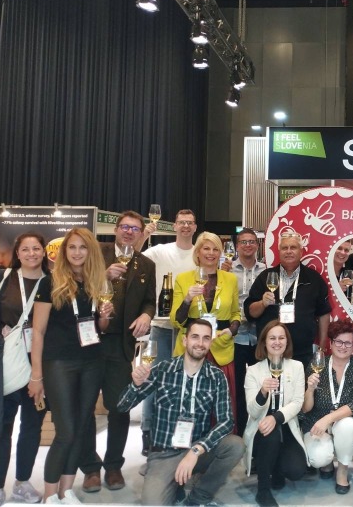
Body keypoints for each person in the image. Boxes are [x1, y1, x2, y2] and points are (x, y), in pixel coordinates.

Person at [117, 319, 245, 506]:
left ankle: (198, 497)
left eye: (206, 338)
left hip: (197, 450)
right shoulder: (163, 370)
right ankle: (173, 482)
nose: (200, 343)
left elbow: (226, 421)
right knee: (153, 504)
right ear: (185, 340)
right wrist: (135, 386)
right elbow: (122, 406)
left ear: (210, 343)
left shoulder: (216, 376)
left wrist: (196, 450)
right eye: (195, 337)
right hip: (165, 453)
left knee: (235, 445)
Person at [28, 228, 113, 504]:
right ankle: (49, 495)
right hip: (59, 363)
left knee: (80, 429)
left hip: (92, 361)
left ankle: (65, 492)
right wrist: (36, 375)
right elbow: (38, 331)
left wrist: (105, 317)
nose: (77, 252)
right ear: (64, 251)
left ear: (91, 251)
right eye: (72, 247)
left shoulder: (96, 281)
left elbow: (100, 328)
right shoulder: (50, 282)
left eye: (83, 247)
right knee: (65, 432)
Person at [80, 211, 156, 493]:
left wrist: (147, 315)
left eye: (135, 229)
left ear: (141, 233)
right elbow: (77, 285)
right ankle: (90, 467)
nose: (128, 232)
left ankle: (113, 466)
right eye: (124, 227)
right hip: (88, 341)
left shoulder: (146, 264)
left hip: (120, 345)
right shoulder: (96, 253)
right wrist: (103, 276)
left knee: (119, 407)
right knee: (85, 406)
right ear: (115, 229)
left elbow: (150, 301)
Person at [0, 233, 50, 507]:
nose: (31, 253)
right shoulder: (3, 279)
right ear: (17, 253)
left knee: (32, 426)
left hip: (40, 367)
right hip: (4, 364)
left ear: (44, 252)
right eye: (25, 249)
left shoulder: (52, 282)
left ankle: (22, 482)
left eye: (36, 248)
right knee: (1, 426)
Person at [139, 209, 197, 454]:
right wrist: (144, 235)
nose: (185, 226)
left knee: (186, 384)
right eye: (181, 222)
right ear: (174, 226)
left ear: (195, 227)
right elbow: (133, 257)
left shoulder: (200, 253)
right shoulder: (159, 251)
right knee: (155, 379)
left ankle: (179, 433)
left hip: (189, 330)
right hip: (161, 327)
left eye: (190, 223)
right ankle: (148, 431)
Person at [170, 232, 240, 431]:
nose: (211, 253)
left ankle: (221, 443)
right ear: (198, 253)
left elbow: (235, 313)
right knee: (189, 402)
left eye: (216, 249)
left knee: (219, 405)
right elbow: (176, 320)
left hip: (220, 349)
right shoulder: (184, 279)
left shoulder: (230, 279)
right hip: (192, 350)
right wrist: (187, 299)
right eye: (206, 248)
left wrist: (231, 331)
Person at [300, 319, 353, 495]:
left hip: (343, 422)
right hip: (316, 423)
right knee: (318, 459)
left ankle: (342, 471)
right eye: (339, 341)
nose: (343, 346)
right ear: (330, 343)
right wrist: (310, 389)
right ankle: (327, 461)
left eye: (348, 343)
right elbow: (306, 409)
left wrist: (328, 419)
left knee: (347, 424)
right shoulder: (317, 364)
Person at [243, 321, 308, 507]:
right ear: (264, 342)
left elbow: (298, 403)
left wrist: (276, 417)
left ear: (287, 342)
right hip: (261, 427)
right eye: (272, 338)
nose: (277, 342)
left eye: (281, 338)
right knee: (269, 433)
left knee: (296, 470)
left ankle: (277, 469)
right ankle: (263, 490)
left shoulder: (297, 367)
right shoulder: (253, 371)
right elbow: (252, 411)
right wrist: (262, 392)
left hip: (286, 424)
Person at [245, 231, 330, 370]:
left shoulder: (314, 279)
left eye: (293, 247)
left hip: (302, 352)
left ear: (301, 251)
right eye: (285, 248)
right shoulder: (266, 277)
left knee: (301, 384)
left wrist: (322, 346)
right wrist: (262, 303)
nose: (289, 251)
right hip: (270, 351)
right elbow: (250, 313)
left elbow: (324, 313)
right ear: (279, 251)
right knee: (270, 384)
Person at [228, 228, 267, 438]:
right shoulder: (226, 270)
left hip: (259, 336)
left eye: (252, 241)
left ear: (257, 245)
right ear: (237, 246)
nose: (248, 245)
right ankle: (238, 431)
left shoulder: (267, 271)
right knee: (236, 387)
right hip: (235, 337)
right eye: (243, 242)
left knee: (259, 386)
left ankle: (259, 433)